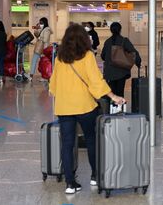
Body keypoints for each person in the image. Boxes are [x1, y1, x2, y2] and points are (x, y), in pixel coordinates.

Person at [49, 25, 126, 194]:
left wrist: (59, 95)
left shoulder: (60, 57)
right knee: (91, 140)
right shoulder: (88, 55)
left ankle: (70, 184)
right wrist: (113, 96)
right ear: (85, 38)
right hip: (84, 106)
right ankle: (95, 176)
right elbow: (95, 81)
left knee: (67, 144)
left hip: (64, 107)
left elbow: (53, 83)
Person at [101, 22, 141, 97]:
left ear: (111, 30)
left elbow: (103, 56)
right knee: (120, 92)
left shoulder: (107, 42)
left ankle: (112, 107)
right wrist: (138, 62)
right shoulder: (124, 40)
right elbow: (134, 52)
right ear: (120, 30)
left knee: (112, 92)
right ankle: (120, 107)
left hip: (109, 72)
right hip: (121, 71)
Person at [29, 17, 52, 81]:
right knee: (36, 61)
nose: (40, 24)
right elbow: (36, 35)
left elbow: (45, 39)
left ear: (44, 22)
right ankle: (31, 75)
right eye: (39, 23)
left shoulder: (47, 30)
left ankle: (43, 77)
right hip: (39, 48)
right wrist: (36, 29)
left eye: (41, 23)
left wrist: (39, 38)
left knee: (43, 63)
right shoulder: (42, 29)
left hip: (44, 49)